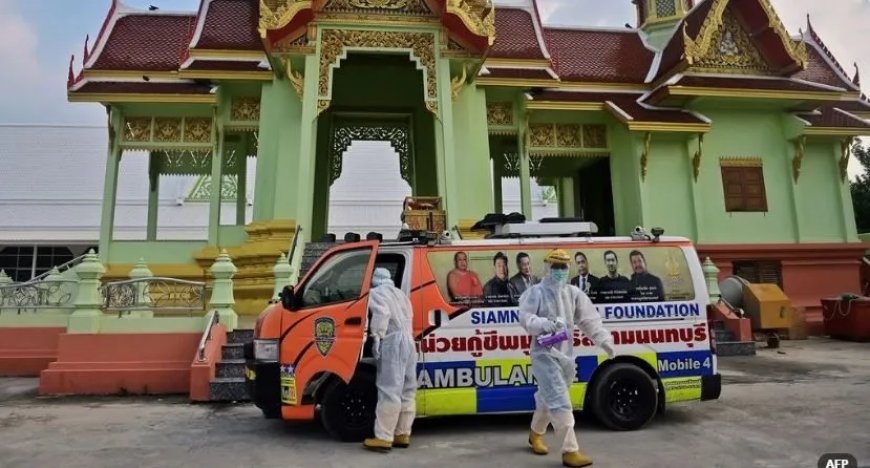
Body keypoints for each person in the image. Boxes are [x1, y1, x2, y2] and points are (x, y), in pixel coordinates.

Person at [518, 249, 615, 468]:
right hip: (544, 353)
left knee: (546, 398)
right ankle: (570, 451)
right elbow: (525, 317)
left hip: (566, 356)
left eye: (564, 266)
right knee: (559, 399)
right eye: (556, 266)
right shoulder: (536, 293)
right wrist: (545, 324)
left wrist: (604, 340)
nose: (560, 271)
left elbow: (589, 320)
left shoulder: (573, 293)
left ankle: (535, 434)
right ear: (547, 267)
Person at [363, 268, 418, 452]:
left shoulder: (377, 293)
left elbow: (381, 314)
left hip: (393, 341)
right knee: (407, 389)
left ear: (375, 280)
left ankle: (384, 437)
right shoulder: (401, 294)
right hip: (409, 341)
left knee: (389, 389)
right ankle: (402, 433)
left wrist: (377, 337)